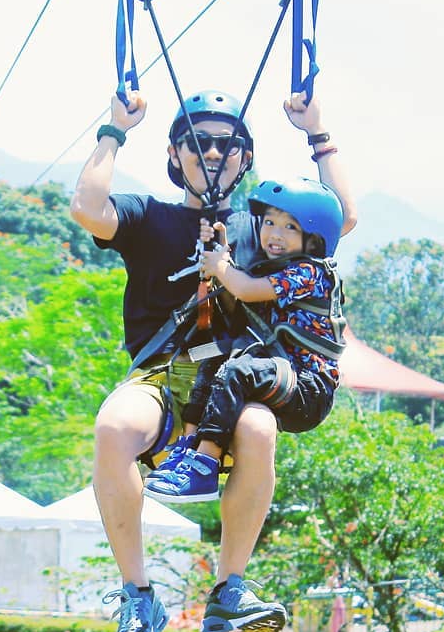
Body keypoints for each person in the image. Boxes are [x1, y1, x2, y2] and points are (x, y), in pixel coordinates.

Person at [70, 87, 356, 632]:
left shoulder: (267, 228)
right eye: (196, 145)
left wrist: (317, 133)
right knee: (113, 428)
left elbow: (341, 218)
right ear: (174, 157)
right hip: (166, 374)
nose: (212, 155)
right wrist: (114, 130)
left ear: (245, 159)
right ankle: (137, 596)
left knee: (258, 432)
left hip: (240, 375)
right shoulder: (149, 217)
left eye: (226, 146)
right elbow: (87, 209)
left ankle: (230, 590)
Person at [143, 177, 345, 513]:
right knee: (215, 359)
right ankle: (189, 447)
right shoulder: (273, 269)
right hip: (279, 369)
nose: (274, 234)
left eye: (289, 227)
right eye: (268, 223)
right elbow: (241, 296)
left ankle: (204, 469)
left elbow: (248, 290)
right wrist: (221, 261)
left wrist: (220, 267)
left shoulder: (310, 274)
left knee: (236, 371)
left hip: (309, 389)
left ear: (315, 238)